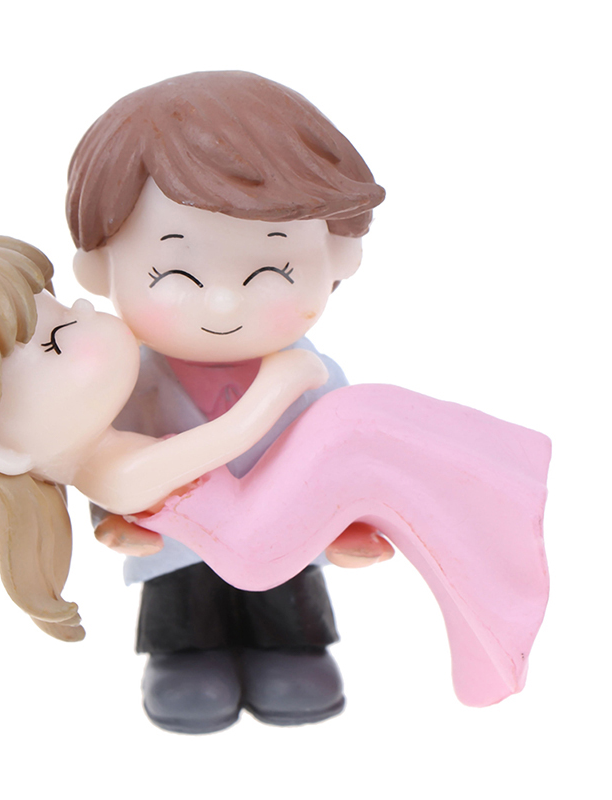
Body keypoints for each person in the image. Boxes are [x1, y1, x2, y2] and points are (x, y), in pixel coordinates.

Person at [66, 71, 392, 732]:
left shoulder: (315, 377)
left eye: (272, 271)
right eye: (175, 273)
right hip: (178, 537)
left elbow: (346, 463)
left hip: (287, 535)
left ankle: (292, 649)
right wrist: (115, 517)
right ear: (101, 268)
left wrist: (352, 525)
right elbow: (106, 456)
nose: (221, 304)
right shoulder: (129, 382)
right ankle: (185, 656)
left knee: (286, 588)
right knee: (182, 596)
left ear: (339, 256)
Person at [0, 235, 330, 643]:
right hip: (225, 553)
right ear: (9, 453)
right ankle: (190, 659)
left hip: (267, 544)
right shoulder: (118, 478)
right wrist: (281, 383)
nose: (84, 309)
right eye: (57, 337)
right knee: (187, 619)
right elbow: (226, 436)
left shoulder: (134, 405)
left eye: (63, 304)